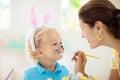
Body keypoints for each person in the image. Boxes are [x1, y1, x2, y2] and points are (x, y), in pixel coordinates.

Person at [72, 0, 120, 80]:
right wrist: (81, 74)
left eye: (82, 28)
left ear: (98, 27)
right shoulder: (116, 53)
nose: (82, 36)